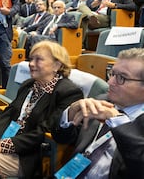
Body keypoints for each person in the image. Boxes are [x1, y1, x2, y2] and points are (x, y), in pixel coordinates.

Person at [0, 40, 84, 178]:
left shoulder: (68, 92)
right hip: (8, 138)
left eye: (38, 59)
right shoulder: (29, 84)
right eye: (31, 59)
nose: (31, 64)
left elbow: (43, 133)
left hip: (29, 153)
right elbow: (9, 113)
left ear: (57, 65)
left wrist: (1, 146)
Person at [52, 47, 144, 178]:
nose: (109, 82)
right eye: (111, 74)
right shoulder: (101, 101)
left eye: (121, 78)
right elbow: (61, 138)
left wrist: (117, 121)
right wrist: (70, 113)